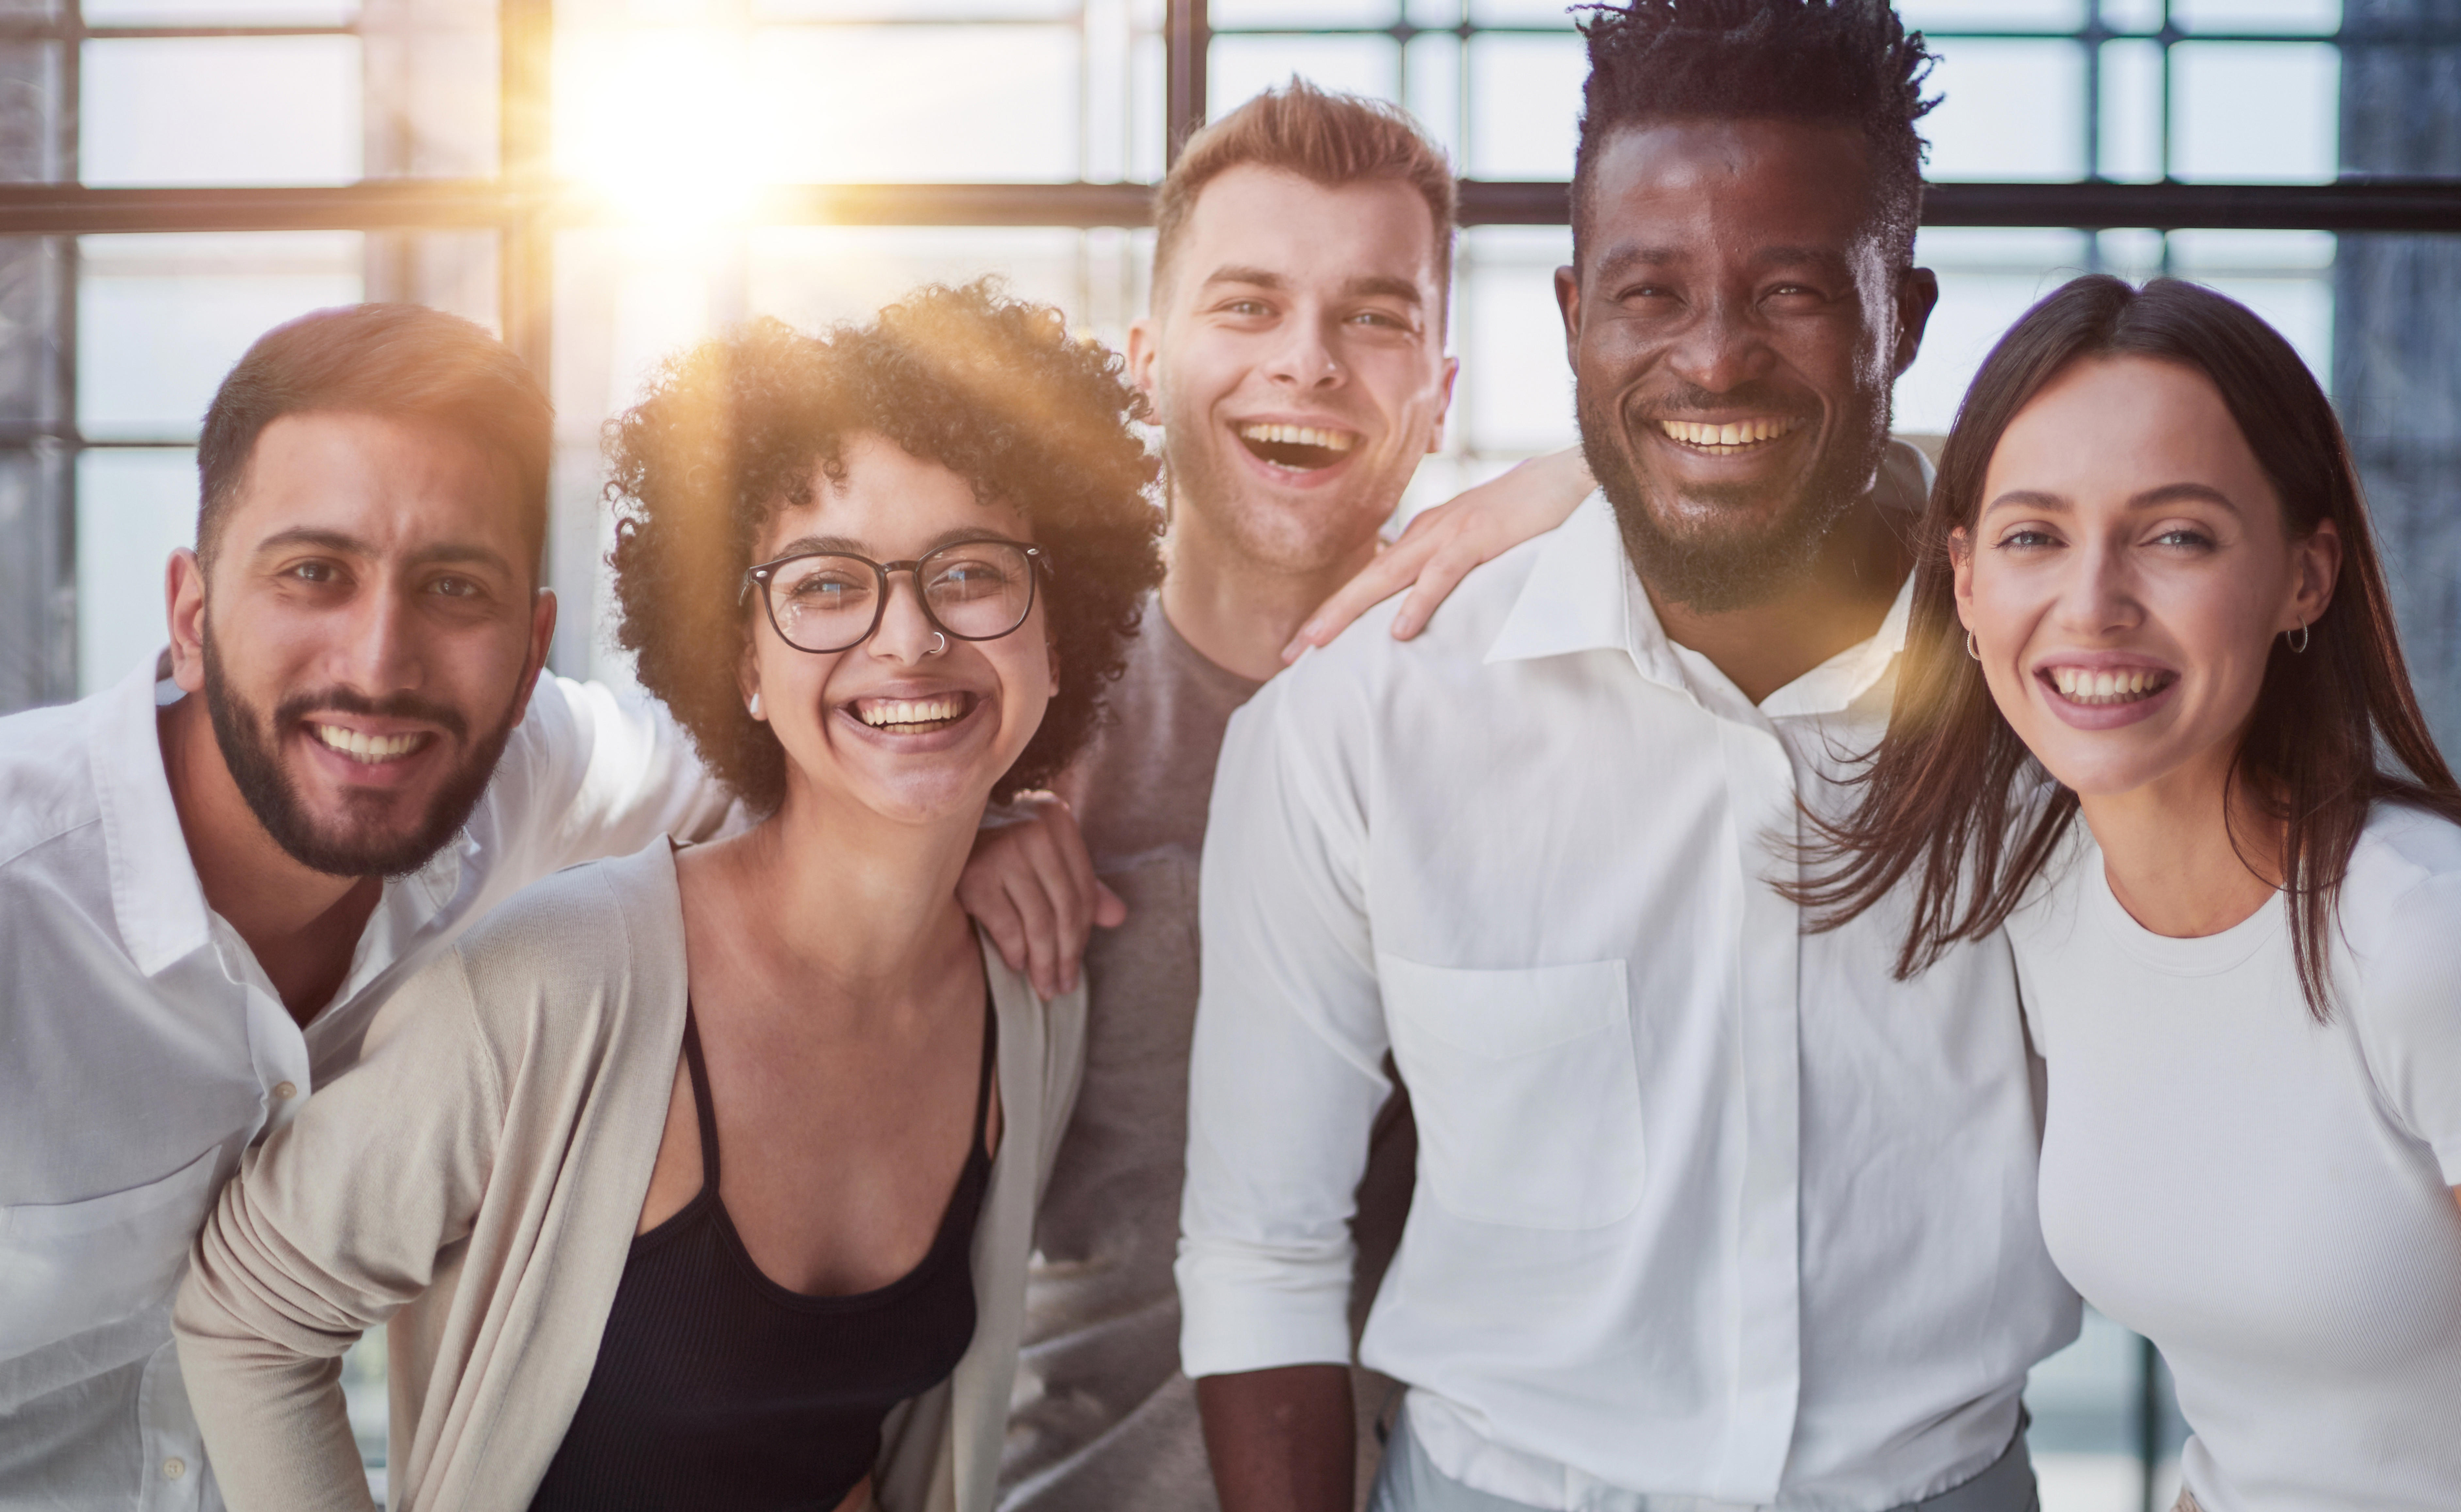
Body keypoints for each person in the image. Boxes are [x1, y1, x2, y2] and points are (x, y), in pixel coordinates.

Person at [1177, 6, 2081, 1511]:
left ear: (1904, 317)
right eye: (1651, 293)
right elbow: (1263, 1252)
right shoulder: (1362, 727)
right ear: (1574, 313)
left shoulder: (2045, 713)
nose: (1715, 357)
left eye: (1792, 290)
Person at [171, 284, 1163, 1512]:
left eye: (969, 572)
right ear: (743, 658)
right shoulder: (555, 984)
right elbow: (248, 1313)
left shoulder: (1029, 984)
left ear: (1054, 635)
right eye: (825, 586)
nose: (908, 639)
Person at [971, 82, 1593, 1512]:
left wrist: (1583, 485)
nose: (1307, 362)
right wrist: (925, 844)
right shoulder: (1006, 719)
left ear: (1439, 394)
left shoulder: (1541, 691)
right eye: (1246, 306)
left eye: (1373, 318)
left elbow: (1883, 505)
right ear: (1147, 362)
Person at [0, 304, 735, 1510]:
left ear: (528, 651)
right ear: (191, 617)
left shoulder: (532, 768)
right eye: (313, 573)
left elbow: (796, 788)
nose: (381, 661)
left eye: (454, 587)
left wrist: (985, 836)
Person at [1796, 274, 2461, 1512]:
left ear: (2307, 579)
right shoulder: (2041, 896)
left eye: (2176, 535)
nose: (2092, 603)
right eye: (2035, 535)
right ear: (1965, 583)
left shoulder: (2422, 937)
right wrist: (1556, 487)